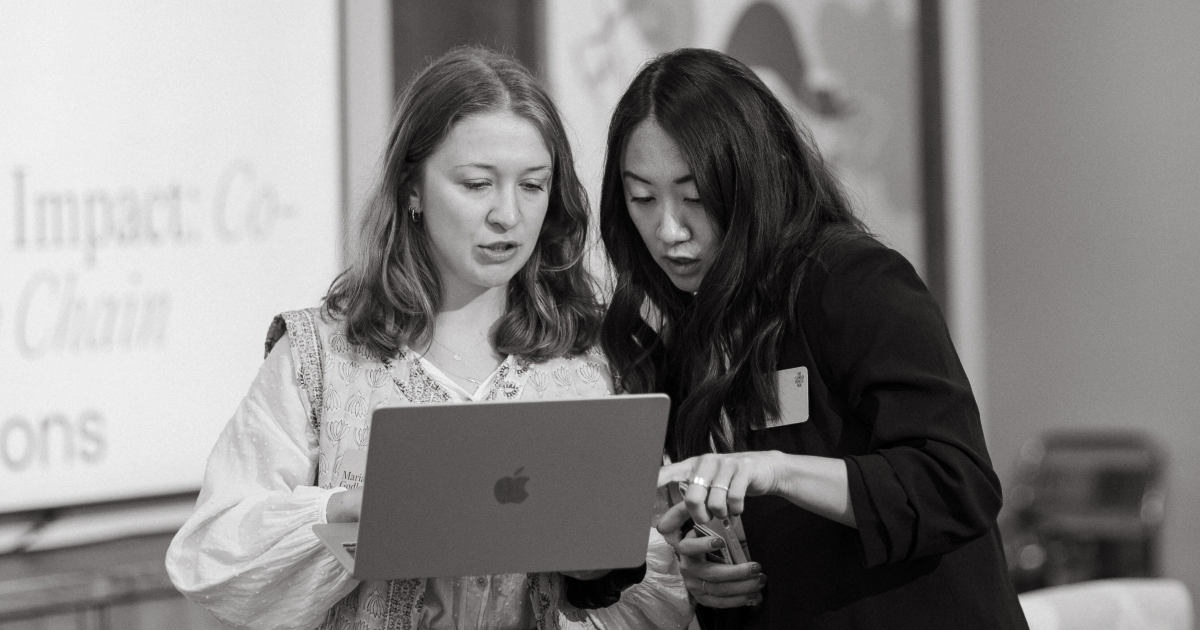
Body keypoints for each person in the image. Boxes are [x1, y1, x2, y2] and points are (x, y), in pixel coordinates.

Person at [166, 47, 691, 630]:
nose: (507, 215)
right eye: (476, 184)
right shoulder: (323, 357)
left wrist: (600, 568)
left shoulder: (594, 355)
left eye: (533, 186)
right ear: (412, 188)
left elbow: (664, 581)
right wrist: (350, 512)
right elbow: (213, 557)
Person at [598, 48, 1029, 630]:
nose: (668, 229)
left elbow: (957, 484)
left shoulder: (850, 280)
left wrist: (781, 471)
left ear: (753, 176)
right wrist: (702, 570)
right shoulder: (683, 330)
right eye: (643, 198)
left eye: (694, 195)